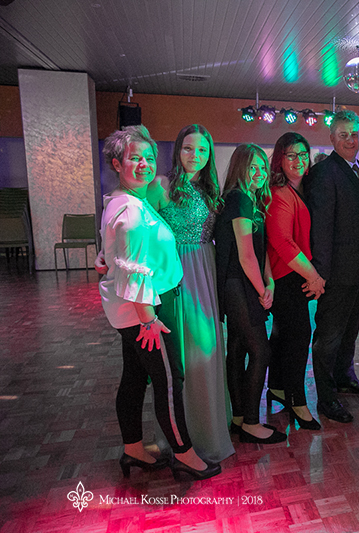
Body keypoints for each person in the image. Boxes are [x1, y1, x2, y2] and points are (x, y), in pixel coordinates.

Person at [99, 125, 219, 480]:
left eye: (149, 158)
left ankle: (133, 449)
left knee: (135, 377)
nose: (144, 165)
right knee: (169, 380)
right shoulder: (133, 212)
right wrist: (148, 319)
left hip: (131, 310)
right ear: (117, 163)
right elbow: (135, 272)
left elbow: (118, 255)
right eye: (134, 158)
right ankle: (185, 455)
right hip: (144, 311)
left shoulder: (124, 200)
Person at [145, 124, 234, 463]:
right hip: (174, 273)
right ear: (177, 150)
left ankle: (210, 430)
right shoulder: (161, 186)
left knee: (206, 351)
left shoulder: (211, 190)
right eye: (188, 148)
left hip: (205, 271)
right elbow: (142, 236)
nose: (195, 155)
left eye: (202, 150)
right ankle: (179, 437)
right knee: (181, 355)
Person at [215, 144, 286, 445]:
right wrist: (262, 289)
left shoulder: (249, 199)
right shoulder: (239, 199)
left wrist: (270, 282)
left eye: (262, 167)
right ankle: (251, 423)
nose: (259, 173)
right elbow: (246, 256)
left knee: (238, 349)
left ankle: (239, 417)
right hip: (239, 283)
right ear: (239, 168)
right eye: (252, 167)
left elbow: (260, 249)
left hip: (243, 282)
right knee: (260, 351)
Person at [305, 110, 359, 424]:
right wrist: (321, 272)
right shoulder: (324, 172)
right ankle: (326, 396)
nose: (350, 140)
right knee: (329, 337)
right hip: (334, 272)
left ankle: (345, 378)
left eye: (354, 134)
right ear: (332, 138)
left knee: (349, 331)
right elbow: (321, 228)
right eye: (343, 134)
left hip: (355, 270)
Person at [265, 132, 323, 430]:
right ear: (280, 159)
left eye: (302, 154)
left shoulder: (301, 189)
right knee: (299, 338)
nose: (298, 160)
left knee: (284, 336)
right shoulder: (280, 193)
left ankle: (277, 388)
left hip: (292, 275)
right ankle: (297, 401)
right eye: (291, 155)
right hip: (287, 277)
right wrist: (314, 276)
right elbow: (283, 243)